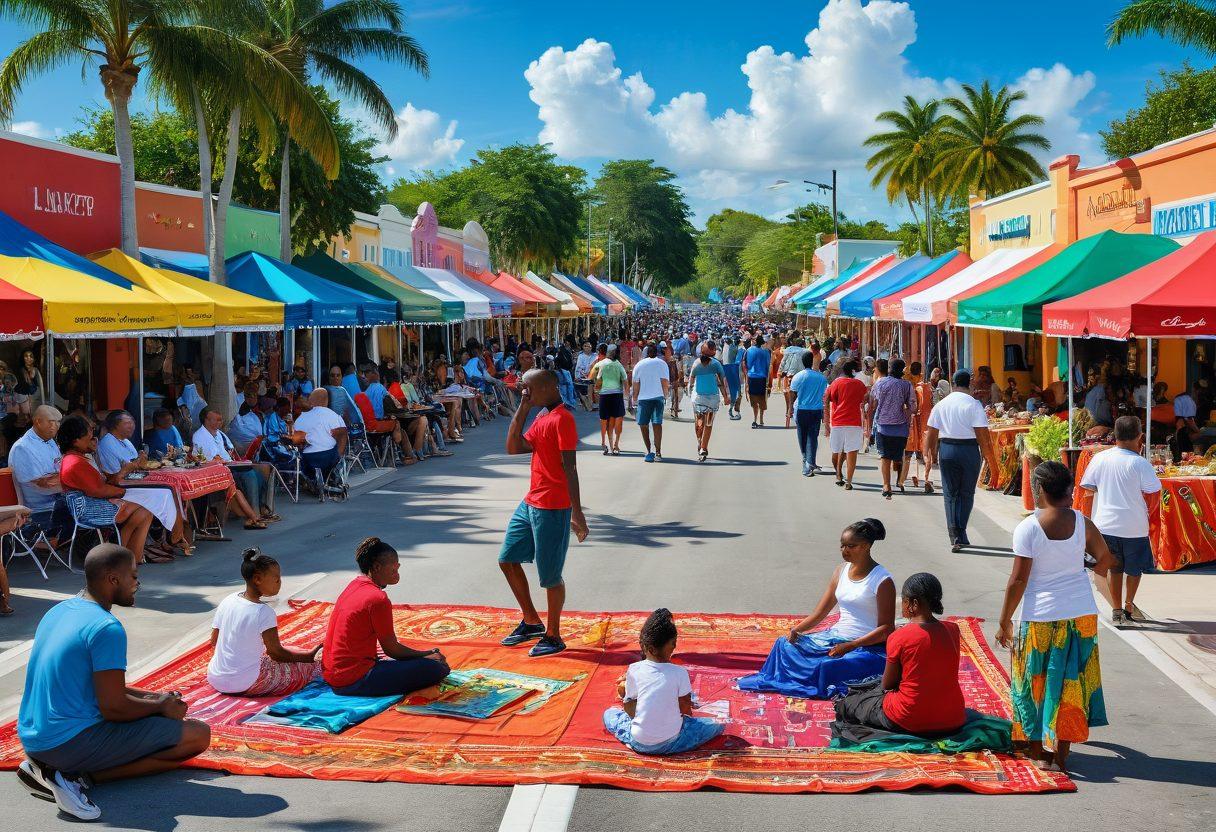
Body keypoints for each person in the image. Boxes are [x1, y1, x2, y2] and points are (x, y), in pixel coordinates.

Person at [16, 544, 211, 821]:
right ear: (113, 579)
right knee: (197, 734)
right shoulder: (106, 628)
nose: (137, 583)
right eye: (133, 575)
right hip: (65, 744)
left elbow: (89, 685)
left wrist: (157, 698)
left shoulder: (59, 611)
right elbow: (114, 707)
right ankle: (77, 777)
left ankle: (57, 769)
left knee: (161, 713)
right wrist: (161, 708)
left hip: (34, 736)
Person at [998, 461, 1114, 773]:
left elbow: (1018, 580)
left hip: (1040, 617)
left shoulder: (1029, 528)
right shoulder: (1083, 522)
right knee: (1069, 682)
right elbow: (1105, 559)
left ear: (1039, 490)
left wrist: (1004, 620)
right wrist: (1083, 570)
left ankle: (1038, 752)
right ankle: (1061, 752)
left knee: (1032, 683)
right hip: (1081, 614)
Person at [739, 518, 895, 698]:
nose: (844, 551)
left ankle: (817, 678)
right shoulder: (840, 571)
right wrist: (796, 630)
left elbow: (886, 629)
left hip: (864, 644)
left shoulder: (882, 580)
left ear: (867, 546)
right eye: (842, 545)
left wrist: (851, 645)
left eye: (851, 546)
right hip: (835, 636)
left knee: (826, 665)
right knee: (783, 644)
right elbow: (821, 612)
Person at [499, 369, 588, 658]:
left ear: (549, 387)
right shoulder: (541, 416)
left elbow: (570, 468)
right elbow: (513, 447)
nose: (524, 392)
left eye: (529, 389)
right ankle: (531, 621)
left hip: (552, 505)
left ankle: (553, 635)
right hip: (531, 502)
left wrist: (577, 513)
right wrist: (523, 406)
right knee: (508, 559)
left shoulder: (563, 419)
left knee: (550, 576)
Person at [833, 573, 966, 737]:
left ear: (913, 604)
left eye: (903, 600)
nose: (902, 605)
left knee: (851, 703)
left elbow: (887, 684)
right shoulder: (953, 629)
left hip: (909, 718)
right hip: (953, 717)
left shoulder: (900, 637)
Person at [323, 537, 450, 696]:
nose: (397, 571)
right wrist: (426, 655)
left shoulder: (354, 585)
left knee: (422, 662)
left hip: (332, 675)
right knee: (437, 667)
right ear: (377, 567)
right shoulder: (378, 599)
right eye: (394, 568)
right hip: (353, 680)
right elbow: (392, 650)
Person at [603, 608, 724, 755]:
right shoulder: (680, 672)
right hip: (672, 742)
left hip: (639, 742)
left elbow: (629, 709)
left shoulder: (634, 669)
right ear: (653, 649)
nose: (674, 647)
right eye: (672, 643)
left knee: (609, 714)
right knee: (717, 726)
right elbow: (685, 709)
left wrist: (649, 716)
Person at [1080, 416, 1162, 626]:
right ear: (1140, 437)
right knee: (1134, 570)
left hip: (1105, 525)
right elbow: (1153, 495)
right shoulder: (1140, 463)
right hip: (1134, 526)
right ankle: (1128, 604)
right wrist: (1146, 514)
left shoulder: (1100, 458)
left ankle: (1116, 609)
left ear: (1114, 436)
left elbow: (1088, 489)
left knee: (1114, 568)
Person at [208, 549, 321, 696]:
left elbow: (214, 640)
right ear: (258, 579)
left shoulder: (228, 600)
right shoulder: (263, 612)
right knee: (313, 668)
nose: (280, 582)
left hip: (216, 678)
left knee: (291, 650)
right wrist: (308, 657)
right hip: (246, 683)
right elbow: (276, 653)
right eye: (276, 579)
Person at [57, 415, 162, 564]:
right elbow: (98, 490)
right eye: (88, 435)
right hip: (89, 509)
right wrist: (124, 493)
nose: (92, 438)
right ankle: (121, 557)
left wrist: (123, 482)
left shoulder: (78, 458)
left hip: (94, 503)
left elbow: (101, 486)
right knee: (144, 503)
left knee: (145, 511)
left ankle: (131, 557)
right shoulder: (74, 462)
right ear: (76, 440)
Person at [96, 410, 190, 557]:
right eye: (127, 423)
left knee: (171, 486)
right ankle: (169, 536)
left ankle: (170, 535)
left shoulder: (126, 441)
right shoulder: (107, 443)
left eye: (132, 422)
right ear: (116, 425)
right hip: (122, 485)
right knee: (164, 492)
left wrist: (141, 460)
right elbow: (115, 477)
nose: (132, 426)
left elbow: (137, 464)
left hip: (136, 480)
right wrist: (135, 465)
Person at [923, 370, 997, 552]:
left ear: (953, 383)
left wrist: (928, 455)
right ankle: (960, 531)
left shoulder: (942, 404)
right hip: (969, 451)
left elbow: (931, 432)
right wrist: (992, 464)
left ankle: (954, 535)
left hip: (947, 449)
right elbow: (983, 437)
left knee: (950, 493)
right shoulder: (974, 404)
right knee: (966, 493)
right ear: (970, 384)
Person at [193, 408, 277, 527]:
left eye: (220, 420)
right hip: (219, 470)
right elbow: (213, 460)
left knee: (264, 469)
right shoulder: (200, 436)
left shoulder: (220, 434)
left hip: (231, 464)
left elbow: (231, 452)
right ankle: (255, 514)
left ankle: (263, 508)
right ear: (206, 420)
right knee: (250, 474)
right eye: (217, 420)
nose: (220, 422)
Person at [8, 405, 64, 533]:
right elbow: (41, 485)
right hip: (39, 511)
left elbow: (58, 471)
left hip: (56, 503)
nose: (55, 426)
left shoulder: (50, 442)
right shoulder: (22, 447)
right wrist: (72, 483)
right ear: (38, 422)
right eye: (51, 422)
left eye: (58, 422)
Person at [868, 358, 918, 500]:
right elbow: (913, 407)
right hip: (900, 427)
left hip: (882, 426)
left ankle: (886, 485)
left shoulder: (879, 383)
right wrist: (906, 413)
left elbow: (873, 403)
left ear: (889, 368)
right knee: (898, 456)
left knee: (885, 457)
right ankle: (899, 481)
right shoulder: (906, 385)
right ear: (902, 370)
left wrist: (871, 426)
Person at [824, 360, 867, 490]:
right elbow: (864, 400)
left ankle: (838, 474)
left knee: (836, 451)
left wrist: (826, 421)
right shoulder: (860, 384)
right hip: (854, 422)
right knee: (851, 452)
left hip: (837, 421)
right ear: (854, 371)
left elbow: (826, 399)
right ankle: (849, 481)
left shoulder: (836, 383)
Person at [295, 388, 349, 481]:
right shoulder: (334, 416)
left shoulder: (301, 417)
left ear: (311, 400)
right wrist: (339, 455)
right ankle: (333, 472)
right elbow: (343, 436)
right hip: (327, 458)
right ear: (326, 401)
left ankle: (311, 479)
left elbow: (296, 440)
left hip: (307, 458)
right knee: (341, 439)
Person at [687, 341, 728, 462]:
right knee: (707, 424)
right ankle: (703, 446)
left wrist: (690, 394)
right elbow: (722, 382)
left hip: (700, 398)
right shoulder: (716, 364)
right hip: (710, 398)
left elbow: (691, 381)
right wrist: (726, 396)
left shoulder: (697, 364)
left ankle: (701, 445)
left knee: (700, 423)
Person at [791, 351, 828, 477]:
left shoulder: (798, 377)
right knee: (812, 437)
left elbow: (793, 393)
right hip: (816, 410)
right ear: (812, 361)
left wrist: (790, 409)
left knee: (802, 436)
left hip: (801, 410)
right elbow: (824, 393)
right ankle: (809, 461)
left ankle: (807, 461)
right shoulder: (821, 377)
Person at [632, 344, 670, 463]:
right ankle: (658, 452)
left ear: (647, 353)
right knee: (657, 424)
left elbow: (636, 384)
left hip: (643, 399)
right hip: (658, 398)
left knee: (644, 425)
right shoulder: (662, 363)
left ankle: (649, 451)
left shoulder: (639, 365)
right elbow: (665, 381)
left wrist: (634, 399)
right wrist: (666, 396)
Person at [594, 345, 628, 455]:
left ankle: (605, 444)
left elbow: (598, 381)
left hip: (605, 396)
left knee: (605, 421)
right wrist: (627, 396)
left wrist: (597, 389)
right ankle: (615, 444)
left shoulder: (602, 364)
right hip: (617, 396)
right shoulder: (619, 365)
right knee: (617, 421)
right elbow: (625, 381)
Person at [907, 364, 936, 493]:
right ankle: (926, 479)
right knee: (927, 452)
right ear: (921, 373)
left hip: (917, 422)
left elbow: (915, 407)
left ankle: (916, 477)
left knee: (913, 452)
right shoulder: (928, 388)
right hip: (929, 422)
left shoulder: (916, 388)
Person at [778, 336, 808, 428]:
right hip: (801, 376)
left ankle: (788, 412)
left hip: (789, 376)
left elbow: (783, 362)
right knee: (801, 395)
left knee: (788, 396)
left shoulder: (788, 350)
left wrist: (780, 372)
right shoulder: (805, 351)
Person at [744, 335, 772, 428]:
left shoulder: (749, 350)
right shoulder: (766, 352)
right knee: (761, 399)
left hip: (752, 377)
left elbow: (747, 364)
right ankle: (761, 419)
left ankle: (755, 419)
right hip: (762, 378)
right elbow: (768, 366)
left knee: (753, 400)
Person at [720, 337, 743, 420]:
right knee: (737, 393)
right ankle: (736, 411)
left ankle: (732, 410)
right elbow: (738, 361)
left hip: (728, 371)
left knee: (733, 392)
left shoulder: (726, 347)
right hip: (735, 371)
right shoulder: (739, 349)